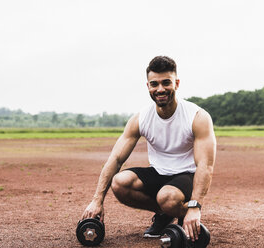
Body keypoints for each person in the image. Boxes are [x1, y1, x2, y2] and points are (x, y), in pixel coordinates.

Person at [81, 56, 216, 242]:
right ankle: (165, 214)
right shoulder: (141, 118)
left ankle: (186, 214)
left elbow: (205, 166)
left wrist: (194, 206)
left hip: (187, 175)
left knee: (167, 197)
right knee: (120, 183)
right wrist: (97, 200)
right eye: (154, 84)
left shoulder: (197, 117)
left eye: (166, 83)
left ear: (176, 83)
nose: (160, 89)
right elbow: (116, 159)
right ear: (148, 86)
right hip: (159, 173)